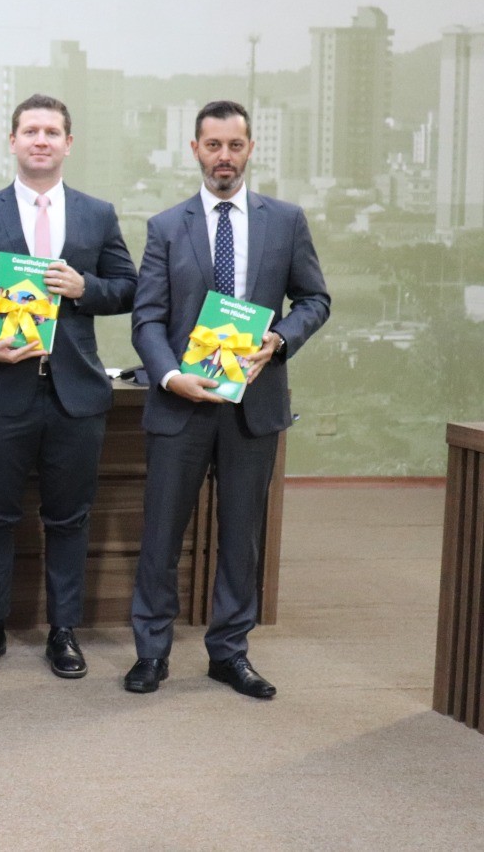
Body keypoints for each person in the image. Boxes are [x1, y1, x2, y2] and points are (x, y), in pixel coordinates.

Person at [125, 99, 330, 699]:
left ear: (250, 150)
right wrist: (170, 377)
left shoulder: (285, 221)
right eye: (213, 145)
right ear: (196, 149)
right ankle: (151, 654)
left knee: (242, 538)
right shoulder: (166, 227)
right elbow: (147, 320)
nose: (224, 156)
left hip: (253, 406)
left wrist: (280, 340)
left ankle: (230, 653)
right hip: (181, 404)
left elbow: (315, 300)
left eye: (234, 146)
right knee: (161, 537)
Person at [0, 93, 137, 678]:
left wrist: (85, 289)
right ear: (13, 141)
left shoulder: (97, 214)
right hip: (2, 388)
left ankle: (64, 631)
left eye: (52, 132)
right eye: (31, 131)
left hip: (76, 393)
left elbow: (129, 287)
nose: (41, 140)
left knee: (69, 518)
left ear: (68, 143)